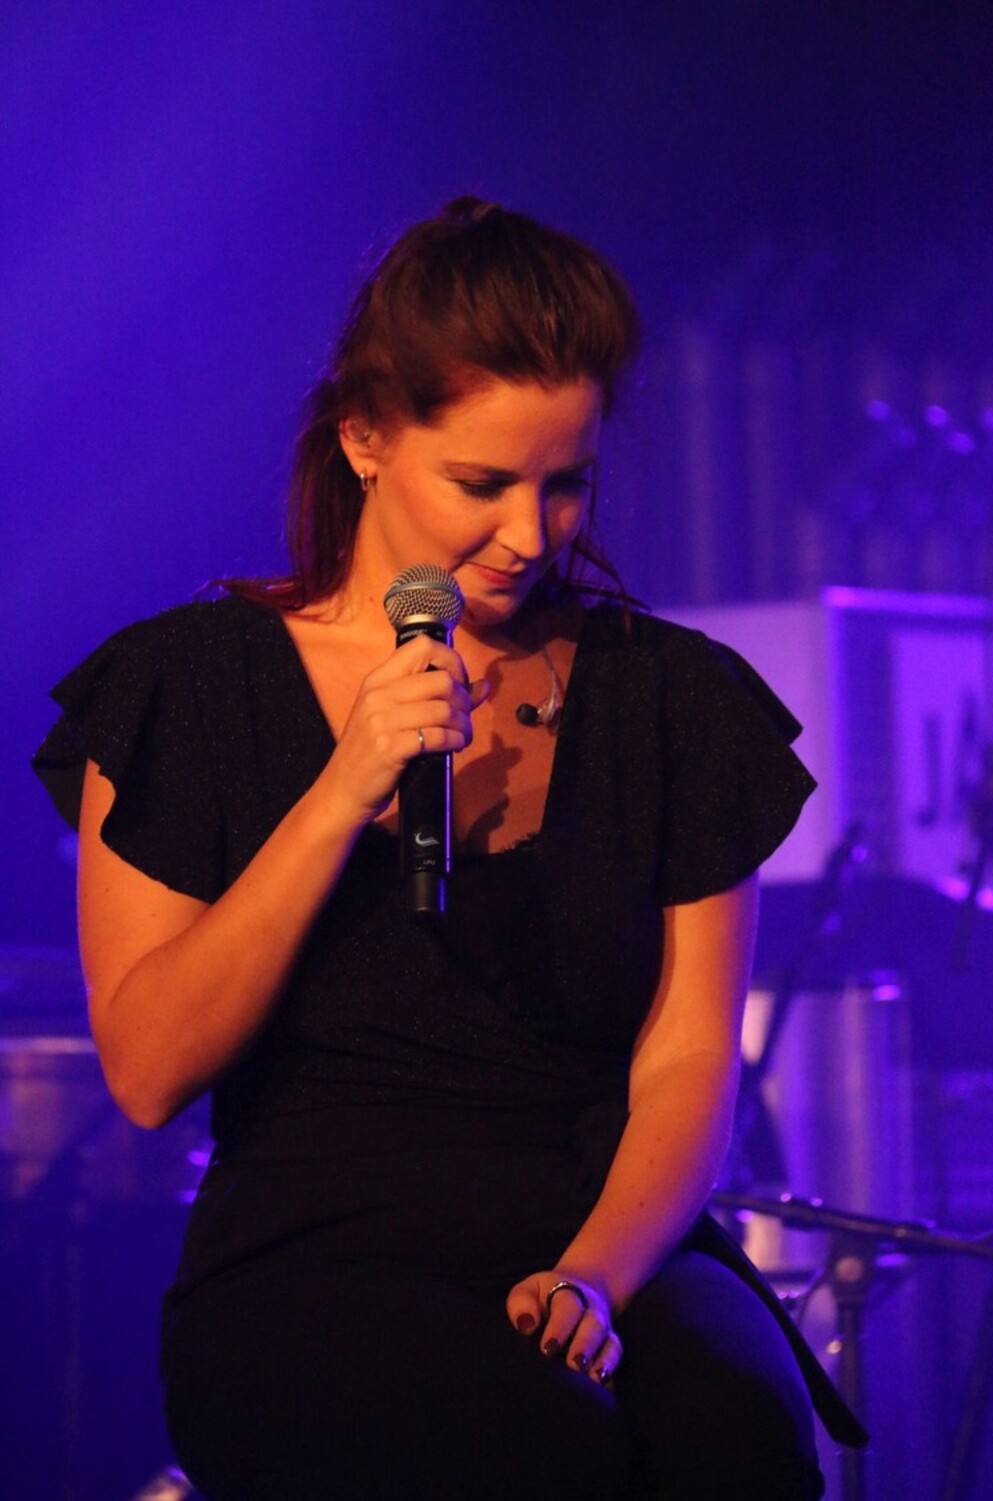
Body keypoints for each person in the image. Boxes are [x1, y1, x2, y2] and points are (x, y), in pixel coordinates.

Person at [34, 197, 863, 1500]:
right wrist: (341, 791)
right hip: (320, 1248)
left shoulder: (670, 698)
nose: (531, 535)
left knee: (737, 1440)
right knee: (529, 1449)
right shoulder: (188, 686)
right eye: (482, 485)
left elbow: (689, 1057)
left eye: (567, 483)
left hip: (607, 1226)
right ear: (364, 438)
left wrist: (593, 1273)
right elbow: (148, 1068)